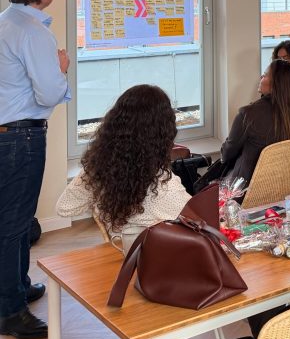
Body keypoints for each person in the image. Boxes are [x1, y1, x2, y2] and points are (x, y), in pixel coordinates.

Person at [0, 0, 70, 339]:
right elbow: (48, 92)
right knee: (15, 225)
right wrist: (62, 68)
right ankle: (11, 311)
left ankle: (18, 286)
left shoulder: (4, 22)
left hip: (4, 134)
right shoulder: (34, 33)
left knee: (12, 220)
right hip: (21, 138)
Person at [57, 85, 191, 253]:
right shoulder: (164, 184)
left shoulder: (97, 170)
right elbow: (196, 223)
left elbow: (64, 207)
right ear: (163, 132)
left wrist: (98, 204)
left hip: (122, 250)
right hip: (159, 257)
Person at [221, 59, 290, 187]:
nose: (261, 77)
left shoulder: (247, 114)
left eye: (265, 75)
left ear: (276, 84)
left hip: (248, 189)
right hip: (286, 186)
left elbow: (226, 154)